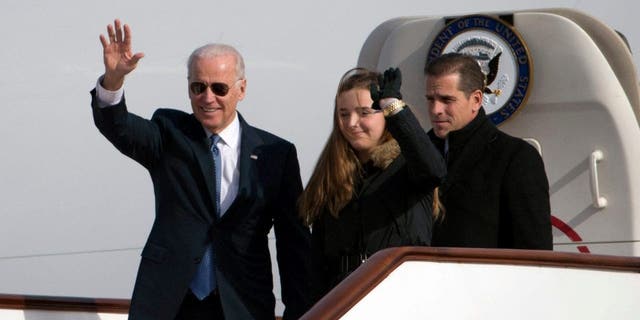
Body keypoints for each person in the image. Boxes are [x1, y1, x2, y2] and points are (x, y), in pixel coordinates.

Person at [90, 19, 311, 320]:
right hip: (169, 304)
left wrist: (302, 312)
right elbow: (119, 127)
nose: (208, 98)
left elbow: (292, 245)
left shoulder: (276, 154)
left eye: (219, 88)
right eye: (198, 87)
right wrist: (113, 81)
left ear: (241, 89)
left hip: (242, 305)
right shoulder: (170, 133)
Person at [299, 67, 446, 301]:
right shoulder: (332, 174)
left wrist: (394, 107)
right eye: (344, 114)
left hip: (402, 297)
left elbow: (434, 170)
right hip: (344, 300)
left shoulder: (408, 166)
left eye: (364, 112)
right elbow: (317, 263)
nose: (352, 123)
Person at [424, 52, 552, 249]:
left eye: (446, 100)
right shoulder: (416, 152)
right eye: (430, 99)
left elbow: (535, 251)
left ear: (476, 100)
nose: (435, 109)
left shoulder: (515, 157)